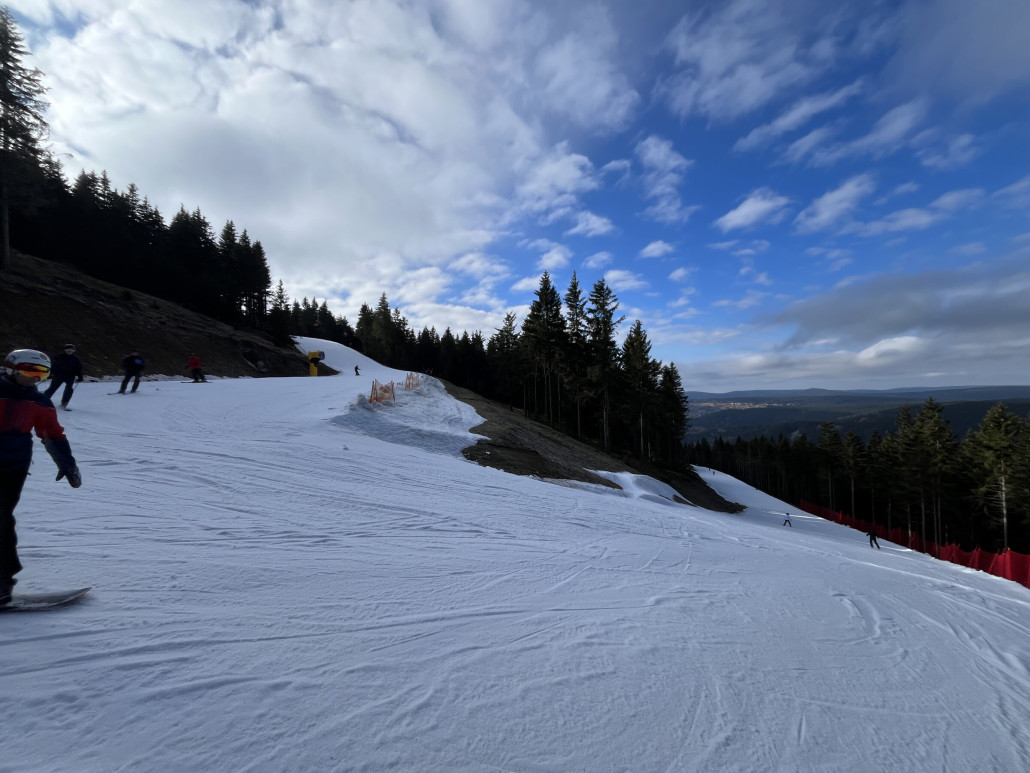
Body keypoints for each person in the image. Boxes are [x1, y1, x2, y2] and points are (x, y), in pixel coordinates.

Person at [1, 349, 82, 605]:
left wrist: (67, 464)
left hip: (12, 467)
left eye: (41, 374)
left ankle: (2, 581)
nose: (34, 379)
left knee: (1, 520)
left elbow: (52, 434)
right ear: (11, 370)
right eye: (29, 372)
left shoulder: (39, 402)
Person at [43, 343, 84, 410]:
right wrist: (50, 374)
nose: (69, 352)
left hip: (70, 377)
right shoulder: (59, 357)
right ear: (65, 350)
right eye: (68, 350)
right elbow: (53, 366)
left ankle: (64, 404)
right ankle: (43, 400)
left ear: (73, 351)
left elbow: (78, 369)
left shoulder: (75, 359)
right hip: (58, 376)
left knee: (69, 389)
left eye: (71, 350)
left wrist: (80, 377)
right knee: (52, 388)